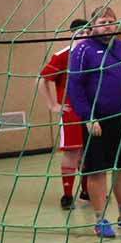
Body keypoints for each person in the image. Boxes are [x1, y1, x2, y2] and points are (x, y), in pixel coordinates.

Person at [65, 6, 121, 238]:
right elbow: (75, 87)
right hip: (99, 121)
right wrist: (88, 117)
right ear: (93, 25)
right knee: (98, 170)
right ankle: (100, 219)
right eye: (102, 21)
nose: (108, 25)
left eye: (111, 21)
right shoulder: (82, 51)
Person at [38, 18, 90, 209]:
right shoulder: (62, 55)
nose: (85, 36)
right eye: (82, 33)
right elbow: (41, 80)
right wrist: (53, 105)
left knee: (88, 152)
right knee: (72, 151)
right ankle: (67, 195)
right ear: (74, 33)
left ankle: (86, 192)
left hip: (91, 112)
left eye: (88, 33)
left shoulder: (93, 55)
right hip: (71, 112)